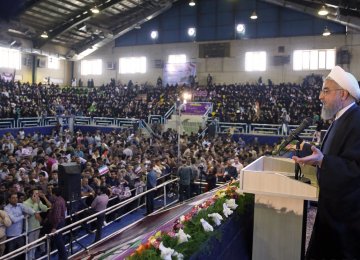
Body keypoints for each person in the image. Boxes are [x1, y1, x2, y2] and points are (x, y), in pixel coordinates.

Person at [292, 66, 360, 259]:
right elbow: (330, 154)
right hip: (331, 213)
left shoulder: (357, 120)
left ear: (343, 94)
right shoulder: (340, 119)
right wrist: (309, 153)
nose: (321, 97)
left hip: (346, 222)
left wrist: (323, 162)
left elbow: (355, 169)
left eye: (326, 91)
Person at [4, 193, 35, 260]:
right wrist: (23, 216)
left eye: (16, 197)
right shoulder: (6, 208)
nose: (15, 199)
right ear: (9, 199)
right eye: (13, 198)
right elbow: (14, 220)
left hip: (20, 234)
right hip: (11, 235)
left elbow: (32, 211)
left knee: (21, 253)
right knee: (11, 255)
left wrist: (24, 205)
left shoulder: (20, 205)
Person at [23, 189, 51, 260]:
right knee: (30, 245)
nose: (38, 195)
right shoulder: (25, 203)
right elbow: (32, 212)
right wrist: (36, 209)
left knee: (34, 244)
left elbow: (45, 209)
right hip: (29, 228)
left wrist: (38, 203)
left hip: (37, 226)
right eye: (36, 194)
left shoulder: (38, 201)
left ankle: (32, 258)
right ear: (32, 195)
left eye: (38, 193)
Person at [47, 187, 67, 260]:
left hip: (58, 224)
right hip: (61, 222)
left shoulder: (57, 203)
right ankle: (62, 257)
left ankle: (63, 257)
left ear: (54, 193)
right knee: (60, 240)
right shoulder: (61, 199)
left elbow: (57, 216)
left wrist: (54, 227)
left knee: (59, 241)